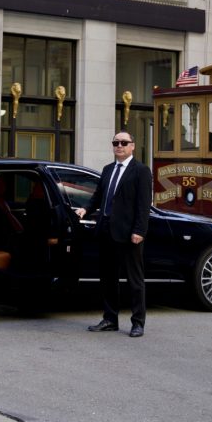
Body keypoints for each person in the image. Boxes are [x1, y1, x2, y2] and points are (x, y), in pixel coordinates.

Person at [75, 131, 151, 338]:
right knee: (108, 278)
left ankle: (138, 323)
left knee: (135, 280)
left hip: (129, 234)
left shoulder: (141, 171)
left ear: (132, 146)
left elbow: (143, 206)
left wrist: (139, 231)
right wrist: (86, 209)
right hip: (106, 230)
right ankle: (110, 319)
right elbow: (99, 196)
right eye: (116, 142)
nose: (119, 146)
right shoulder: (108, 169)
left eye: (124, 143)